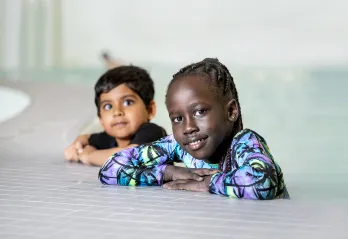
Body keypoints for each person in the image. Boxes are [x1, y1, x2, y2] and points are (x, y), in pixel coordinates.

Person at [98, 58, 289, 199]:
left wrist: (207, 183)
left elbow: (261, 182)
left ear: (231, 111)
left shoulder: (244, 142)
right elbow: (110, 169)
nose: (188, 127)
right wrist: (168, 173)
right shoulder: (179, 145)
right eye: (178, 118)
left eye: (199, 112)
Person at [64, 65, 167, 166]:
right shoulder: (110, 138)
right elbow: (86, 138)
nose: (117, 112)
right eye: (108, 106)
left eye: (128, 102)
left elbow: (130, 157)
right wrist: (77, 146)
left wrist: (90, 156)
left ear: (150, 110)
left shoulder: (153, 133)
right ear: (101, 119)